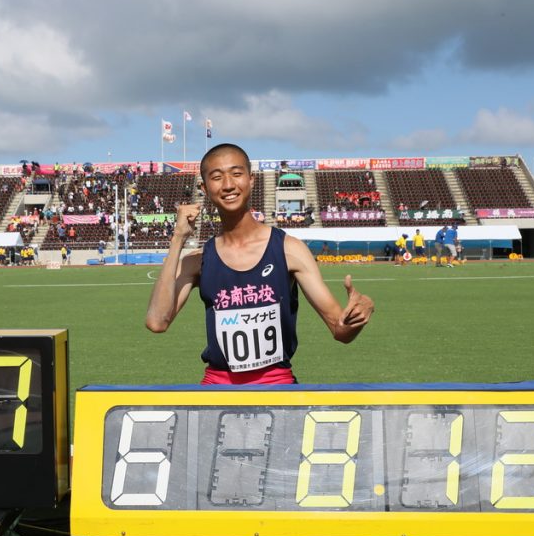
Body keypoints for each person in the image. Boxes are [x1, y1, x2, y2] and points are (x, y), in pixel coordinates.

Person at [145, 143, 374, 385]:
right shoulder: (198, 260)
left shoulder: (289, 249)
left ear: (251, 179)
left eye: (236, 173)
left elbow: (340, 330)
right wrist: (178, 239)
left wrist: (358, 316)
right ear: (204, 188)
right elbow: (157, 322)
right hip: (217, 390)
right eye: (216, 177)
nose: (228, 185)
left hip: (277, 388)